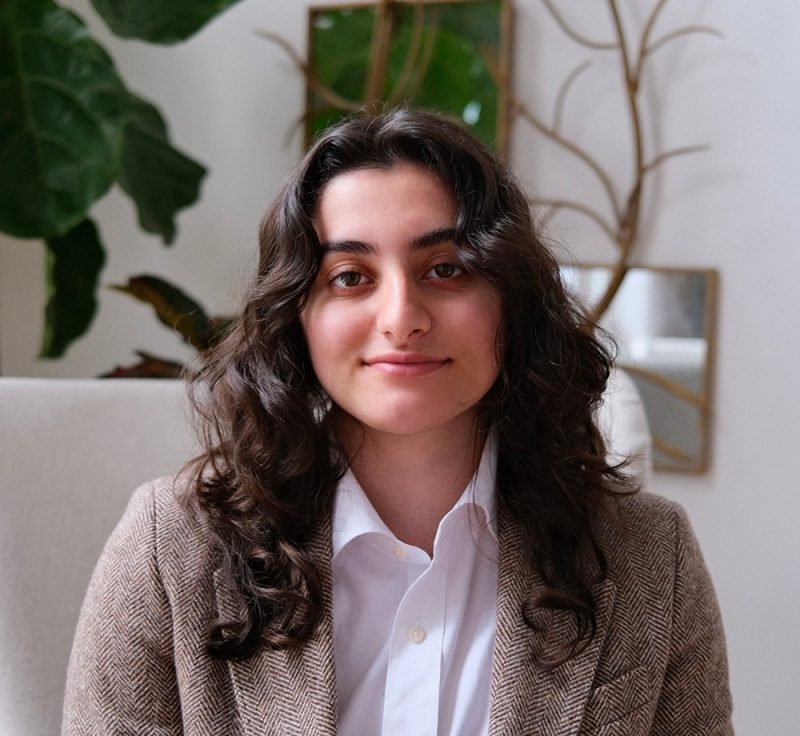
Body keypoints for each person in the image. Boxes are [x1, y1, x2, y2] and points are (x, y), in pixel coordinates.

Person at [63, 108, 733, 735]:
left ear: (512, 300)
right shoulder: (169, 547)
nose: (401, 317)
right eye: (350, 277)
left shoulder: (651, 556)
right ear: (298, 316)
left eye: (446, 268)